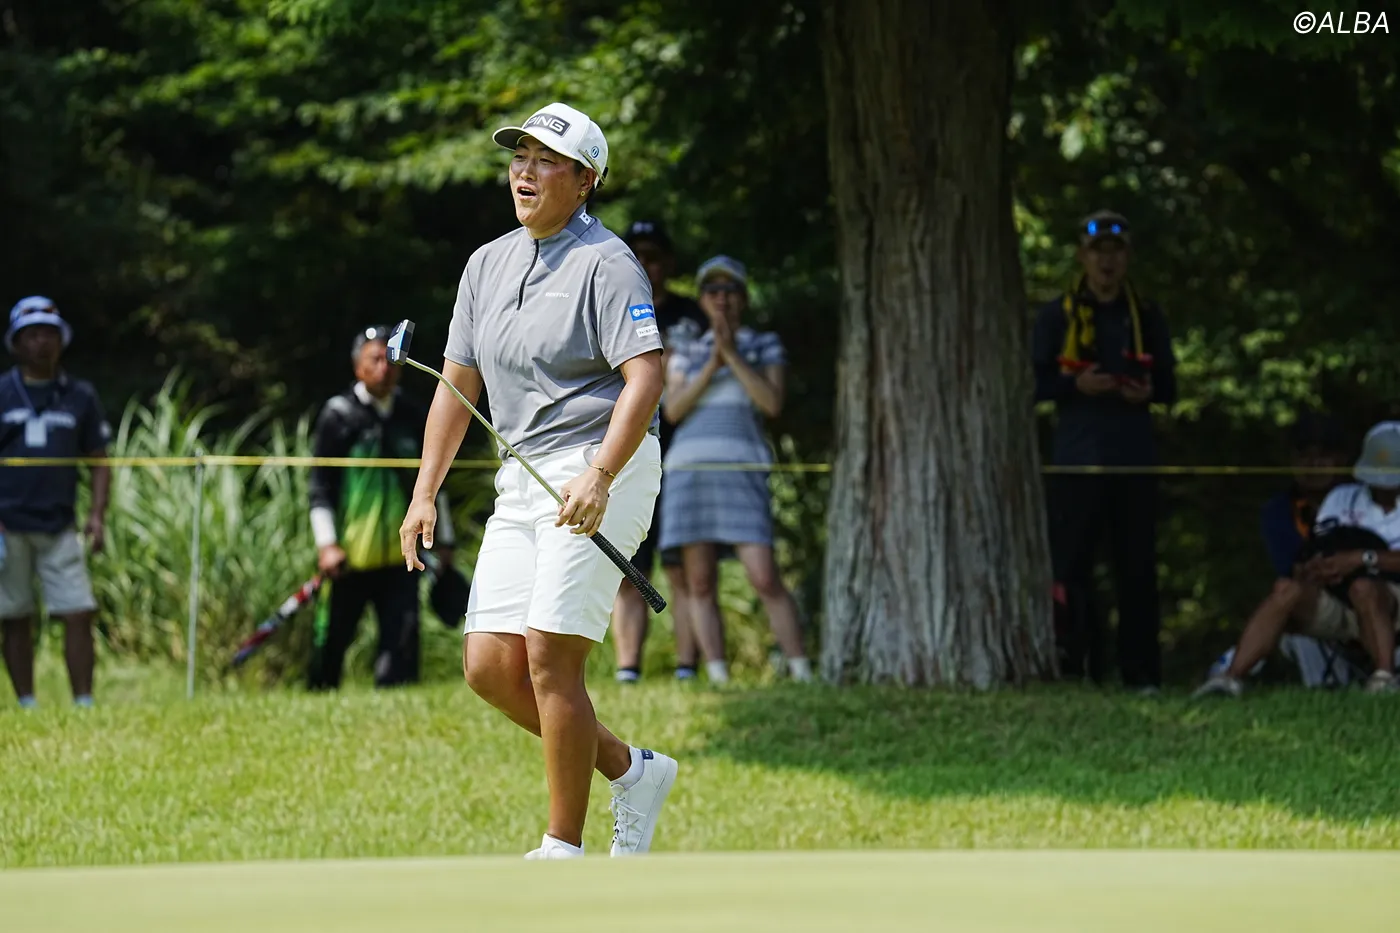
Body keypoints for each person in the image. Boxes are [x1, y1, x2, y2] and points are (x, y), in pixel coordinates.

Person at [399, 102, 677, 860]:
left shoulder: (608, 262)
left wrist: (601, 473)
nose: (524, 171)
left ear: (585, 181)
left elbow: (646, 376)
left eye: (545, 161)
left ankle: (562, 846)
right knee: (491, 666)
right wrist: (424, 492)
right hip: (522, 476)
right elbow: (456, 386)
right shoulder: (486, 264)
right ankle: (632, 771)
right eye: (518, 156)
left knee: (551, 654)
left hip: (601, 464)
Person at [1031, 210, 1177, 693]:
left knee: (1136, 568)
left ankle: (1142, 675)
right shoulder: (1057, 315)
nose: (1107, 261)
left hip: (1134, 459)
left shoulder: (1147, 315)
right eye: (1098, 252)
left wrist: (1147, 391)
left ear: (1127, 257)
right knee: (1072, 569)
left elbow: (1170, 386)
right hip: (1076, 460)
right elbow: (1034, 384)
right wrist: (1075, 385)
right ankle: (1078, 667)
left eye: (1115, 251)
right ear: (1082, 256)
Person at [657, 255, 811, 684]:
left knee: (764, 575)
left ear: (743, 298)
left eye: (729, 291)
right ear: (702, 299)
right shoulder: (685, 350)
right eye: (712, 291)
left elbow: (771, 402)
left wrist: (731, 354)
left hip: (743, 469)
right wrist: (713, 361)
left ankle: (801, 670)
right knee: (699, 580)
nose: (721, 298)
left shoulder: (764, 344)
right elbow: (673, 410)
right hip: (689, 471)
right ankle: (718, 675)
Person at [1194, 421, 1400, 697]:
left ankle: (1384, 678)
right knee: (1286, 588)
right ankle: (1230, 678)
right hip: (1338, 598)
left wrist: (1361, 559)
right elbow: (1318, 544)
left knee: (1364, 587)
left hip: (1391, 597)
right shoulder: (1341, 498)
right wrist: (1318, 567)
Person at [306, 325, 456, 691]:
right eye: (374, 359)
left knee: (401, 651)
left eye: (389, 360)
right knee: (332, 645)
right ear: (357, 366)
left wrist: (444, 541)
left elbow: (436, 483)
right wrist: (327, 545)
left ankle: (395, 709)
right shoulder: (337, 415)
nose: (384, 368)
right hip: (350, 560)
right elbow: (319, 488)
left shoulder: (413, 414)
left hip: (403, 557)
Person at [0, 297, 110, 709]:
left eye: (49, 334)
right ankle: (27, 703)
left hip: (60, 524)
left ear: (61, 341)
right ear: (16, 343)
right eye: (32, 335)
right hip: (7, 526)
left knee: (78, 610)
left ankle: (84, 703)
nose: (41, 343)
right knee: (14, 614)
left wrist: (96, 515)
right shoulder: (2, 392)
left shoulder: (79, 395)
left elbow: (100, 461)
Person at [611, 219, 708, 683]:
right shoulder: (611, 305)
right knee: (629, 567)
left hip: (685, 453)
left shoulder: (692, 315)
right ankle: (627, 669)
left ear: (668, 262)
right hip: (627, 450)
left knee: (683, 566)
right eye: (637, 254)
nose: (645, 263)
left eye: (653, 255)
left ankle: (688, 666)